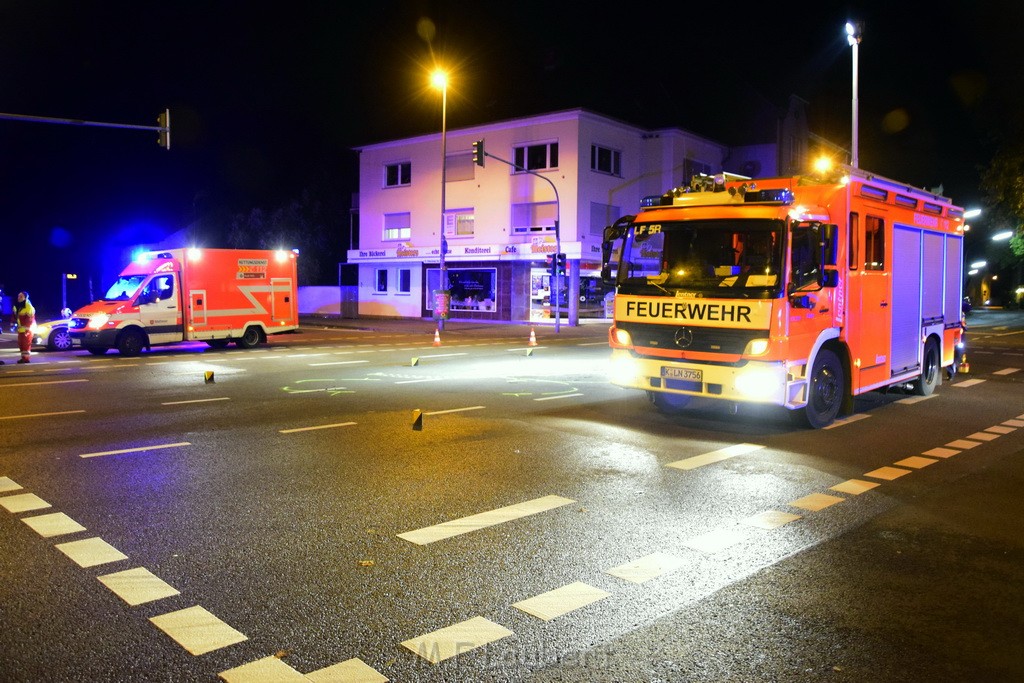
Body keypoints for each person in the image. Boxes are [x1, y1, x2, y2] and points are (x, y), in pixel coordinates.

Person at [12, 291, 35, 363]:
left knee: (26, 345)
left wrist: (27, 329)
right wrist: (13, 325)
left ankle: (26, 359)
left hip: (27, 330)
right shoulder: (18, 306)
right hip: (21, 329)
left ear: (25, 298)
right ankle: (23, 358)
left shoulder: (28, 306)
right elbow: (14, 316)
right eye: (18, 296)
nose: (19, 298)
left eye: (21, 296)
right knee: (21, 344)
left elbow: (30, 319)